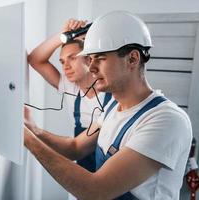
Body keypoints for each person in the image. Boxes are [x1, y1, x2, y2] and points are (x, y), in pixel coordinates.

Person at [24, 10, 192, 200]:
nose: (92, 67)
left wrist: (28, 140)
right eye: (90, 59)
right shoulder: (113, 109)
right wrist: (33, 131)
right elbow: (75, 147)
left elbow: (97, 190)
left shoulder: (166, 120)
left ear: (133, 59)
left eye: (101, 58)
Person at [28, 19, 111, 173]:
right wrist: (63, 34)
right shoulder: (69, 86)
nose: (65, 66)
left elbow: (75, 147)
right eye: (62, 61)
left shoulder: (113, 94)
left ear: (89, 59)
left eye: (72, 58)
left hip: (109, 168)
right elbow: (34, 59)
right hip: (82, 166)